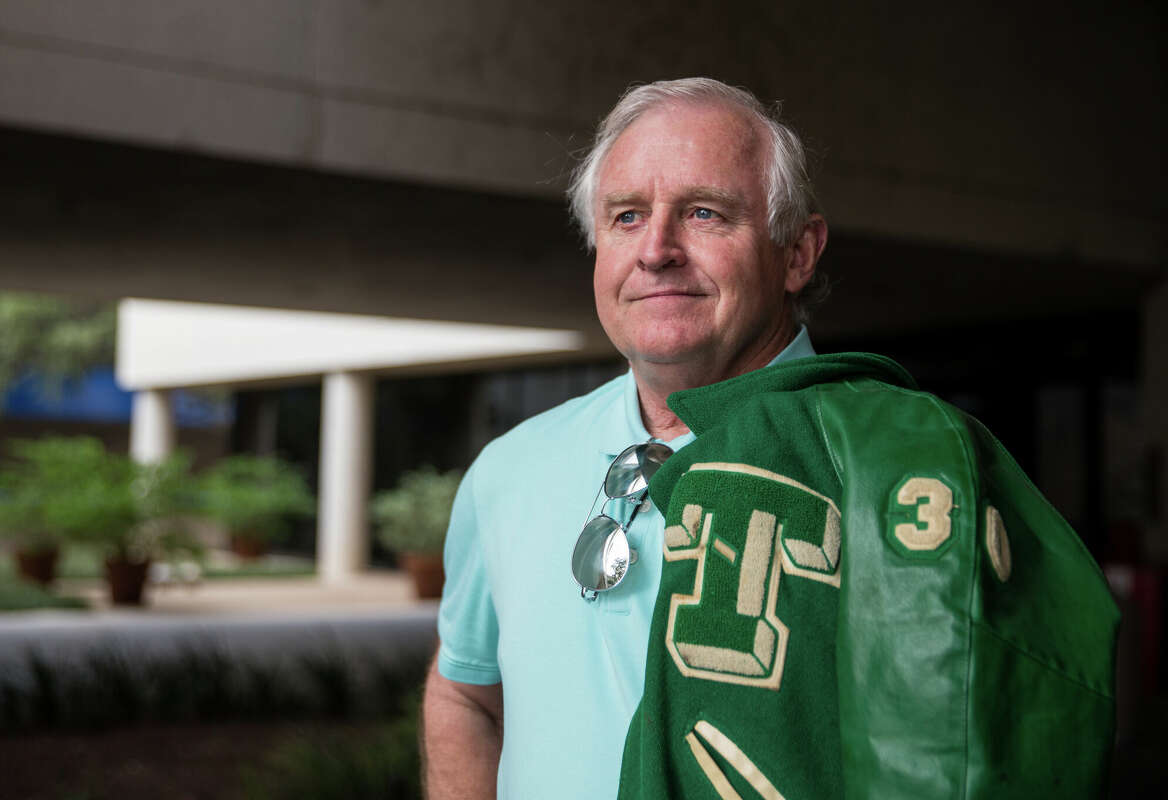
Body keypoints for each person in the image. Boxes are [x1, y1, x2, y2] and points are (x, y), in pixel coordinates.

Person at [423, 78, 1118, 800]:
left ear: (798, 253)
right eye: (626, 216)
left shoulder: (905, 470)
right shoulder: (509, 469)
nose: (656, 249)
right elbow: (466, 695)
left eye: (703, 213)